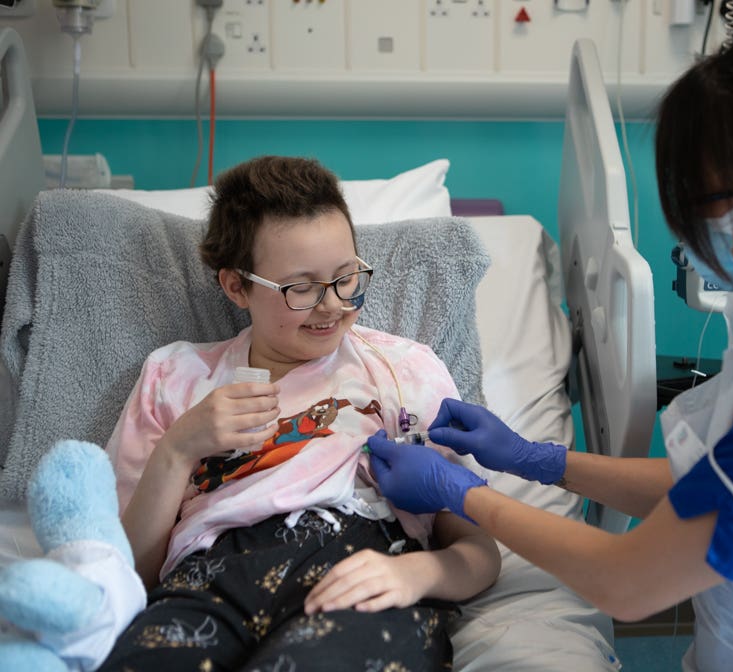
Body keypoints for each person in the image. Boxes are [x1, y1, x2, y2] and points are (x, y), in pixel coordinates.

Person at [364, 25, 733, 672]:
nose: (691, 224)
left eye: (707, 199)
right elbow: (710, 487)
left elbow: (627, 583)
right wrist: (536, 460)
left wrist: (463, 493)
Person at [98, 155, 501, 671]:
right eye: (302, 288)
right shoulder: (174, 378)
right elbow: (128, 573)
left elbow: (481, 552)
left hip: (360, 571)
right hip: (207, 582)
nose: (332, 305)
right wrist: (179, 448)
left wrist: (418, 575)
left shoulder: (402, 371)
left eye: (346, 277)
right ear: (236, 286)